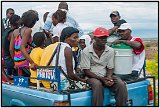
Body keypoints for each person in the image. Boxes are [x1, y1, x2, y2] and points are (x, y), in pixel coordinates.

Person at [80, 27, 128, 106]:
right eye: (101, 38)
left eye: (105, 38)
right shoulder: (86, 51)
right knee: (97, 85)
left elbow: (110, 68)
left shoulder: (110, 50)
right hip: (91, 76)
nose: (103, 40)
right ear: (95, 38)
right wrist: (102, 79)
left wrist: (109, 78)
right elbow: (87, 71)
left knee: (121, 84)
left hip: (105, 75)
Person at [10, 10, 39, 76]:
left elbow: (11, 49)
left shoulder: (15, 32)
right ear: (32, 22)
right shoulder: (28, 30)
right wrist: (32, 63)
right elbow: (22, 47)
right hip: (26, 62)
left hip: (17, 63)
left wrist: (15, 62)